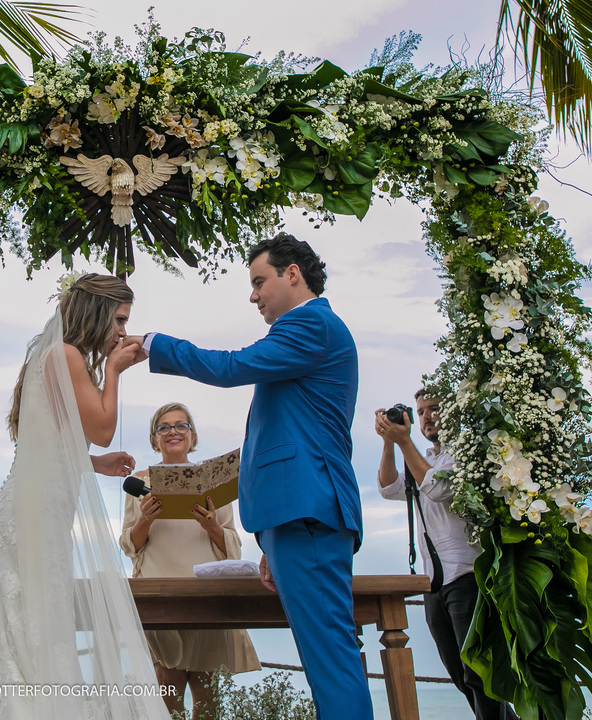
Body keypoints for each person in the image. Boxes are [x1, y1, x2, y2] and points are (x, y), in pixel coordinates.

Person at [128, 233, 371, 720]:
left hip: (309, 511)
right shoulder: (304, 336)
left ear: (292, 274)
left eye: (260, 282)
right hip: (295, 517)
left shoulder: (311, 323)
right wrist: (271, 542)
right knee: (322, 655)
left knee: (330, 656)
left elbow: (231, 367)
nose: (253, 295)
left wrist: (155, 345)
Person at [0, 273, 169, 720]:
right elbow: (104, 429)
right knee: (43, 636)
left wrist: (95, 464)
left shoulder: (57, 357)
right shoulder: (66, 355)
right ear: (98, 313)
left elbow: (46, 447)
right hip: (34, 516)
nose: (123, 331)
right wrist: (114, 372)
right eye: (120, 320)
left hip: (34, 512)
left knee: (40, 639)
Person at [375, 390, 515, 720]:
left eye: (434, 408)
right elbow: (388, 487)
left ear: (452, 411)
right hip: (434, 581)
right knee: (460, 675)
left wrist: (404, 442)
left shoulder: (463, 455)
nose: (426, 417)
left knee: (479, 673)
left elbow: (438, 488)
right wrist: (389, 442)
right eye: (421, 411)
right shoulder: (423, 459)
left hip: (466, 575)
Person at [120, 402, 261, 719]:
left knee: (207, 696)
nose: (173, 431)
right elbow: (130, 546)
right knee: (167, 688)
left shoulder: (213, 482)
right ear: (154, 438)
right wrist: (144, 520)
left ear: (192, 435)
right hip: (159, 595)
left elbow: (233, 546)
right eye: (164, 427)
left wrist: (211, 526)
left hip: (205, 595)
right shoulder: (139, 483)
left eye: (180, 425)